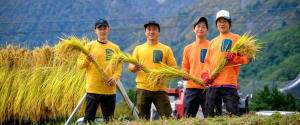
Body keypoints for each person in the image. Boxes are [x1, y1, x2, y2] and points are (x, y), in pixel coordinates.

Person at [201, 10, 249, 117]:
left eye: (225, 21)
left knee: (233, 114)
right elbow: (207, 63)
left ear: (229, 23)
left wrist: (234, 58)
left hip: (229, 83)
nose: (222, 24)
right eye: (219, 21)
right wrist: (205, 75)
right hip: (213, 84)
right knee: (211, 115)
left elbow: (246, 58)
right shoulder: (212, 42)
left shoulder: (237, 39)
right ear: (216, 24)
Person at [128, 21, 177, 120]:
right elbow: (131, 67)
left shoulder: (166, 49)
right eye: (149, 29)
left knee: (167, 117)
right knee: (143, 119)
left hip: (160, 89)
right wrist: (135, 68)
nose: (151, 32)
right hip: (143, 88)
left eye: (154, 29)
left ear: (159, 32)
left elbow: (174, 68)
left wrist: (162, 74)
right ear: (145, 32)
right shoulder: (138, 49)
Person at [77, 18, 122, 123]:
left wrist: (114, 78)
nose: (102, 31)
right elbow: (79, 64)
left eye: (104, 28)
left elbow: (118, 68)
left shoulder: (115, 48)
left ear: (108, 30)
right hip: (93, 89)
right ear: (95, 31)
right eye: (99, 29)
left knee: (109, 120)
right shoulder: (89, 46)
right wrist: (87, 60)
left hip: (109, 90)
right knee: (88, 119)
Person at [181, 17, 209, 118]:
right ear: (194, 29)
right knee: (188, 117)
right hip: (191, 88)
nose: (200, 29)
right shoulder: (187, 48)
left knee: (210, 117)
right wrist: (184, 73)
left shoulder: (212, 46)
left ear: (207, 30)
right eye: (198, 26)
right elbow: (185, 66)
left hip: (207, 88)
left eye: (203, 27)